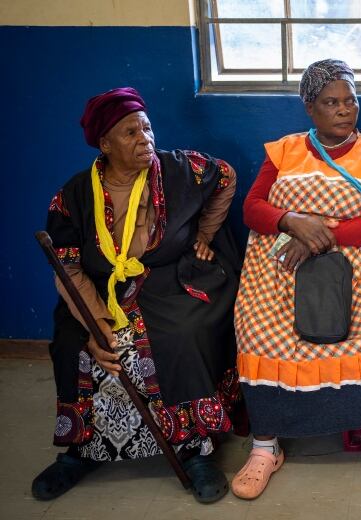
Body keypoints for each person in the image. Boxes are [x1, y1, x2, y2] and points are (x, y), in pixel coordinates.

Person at [34, 87, 241, 503]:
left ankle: (194, 449)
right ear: (105, 144)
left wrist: (204, 233)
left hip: (171, 275)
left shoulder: (181, 169)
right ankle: (82, 451)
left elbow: (227, 177)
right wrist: (97, 325)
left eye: (146, 128)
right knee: (76, 345)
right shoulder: (73, 196)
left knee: (181, 334)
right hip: (102, 288)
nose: (144, 138)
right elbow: (70, 268)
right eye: (130, 133)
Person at [232, 59, 361, 500]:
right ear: (309, 109)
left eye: (350, 100)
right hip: (279, 269)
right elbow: (252, 208)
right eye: (330, 102)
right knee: (257, 333)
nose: (344, 109)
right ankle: (265, 446)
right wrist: (291, 219)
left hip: (359, 268)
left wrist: (322, 235)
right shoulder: (284, 150)